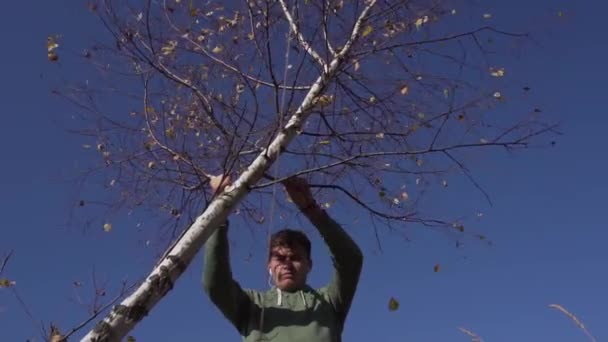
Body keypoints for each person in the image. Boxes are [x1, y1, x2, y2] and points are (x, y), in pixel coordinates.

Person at [202, 176, 363, 342]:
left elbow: (351, 260)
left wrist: (311, 209)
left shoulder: (328, 302)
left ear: (309, 265)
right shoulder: (252, 305)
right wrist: (220, 207)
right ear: (269, 266)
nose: (287, 264)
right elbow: (216, 284)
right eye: (279, 258)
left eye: (295, 258)